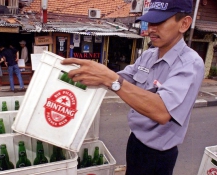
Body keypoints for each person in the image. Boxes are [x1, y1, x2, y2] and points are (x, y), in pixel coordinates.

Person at [61, 0, 205, 174]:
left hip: (158, 155)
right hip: (135, 141)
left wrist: (110, 79)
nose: (151, 29)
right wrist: (92, 74)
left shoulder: (190, 64)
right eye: (151, 22)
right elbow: (125, 78)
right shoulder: (149, 55)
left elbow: (161, 111)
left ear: (184, 24)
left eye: (160, 22)